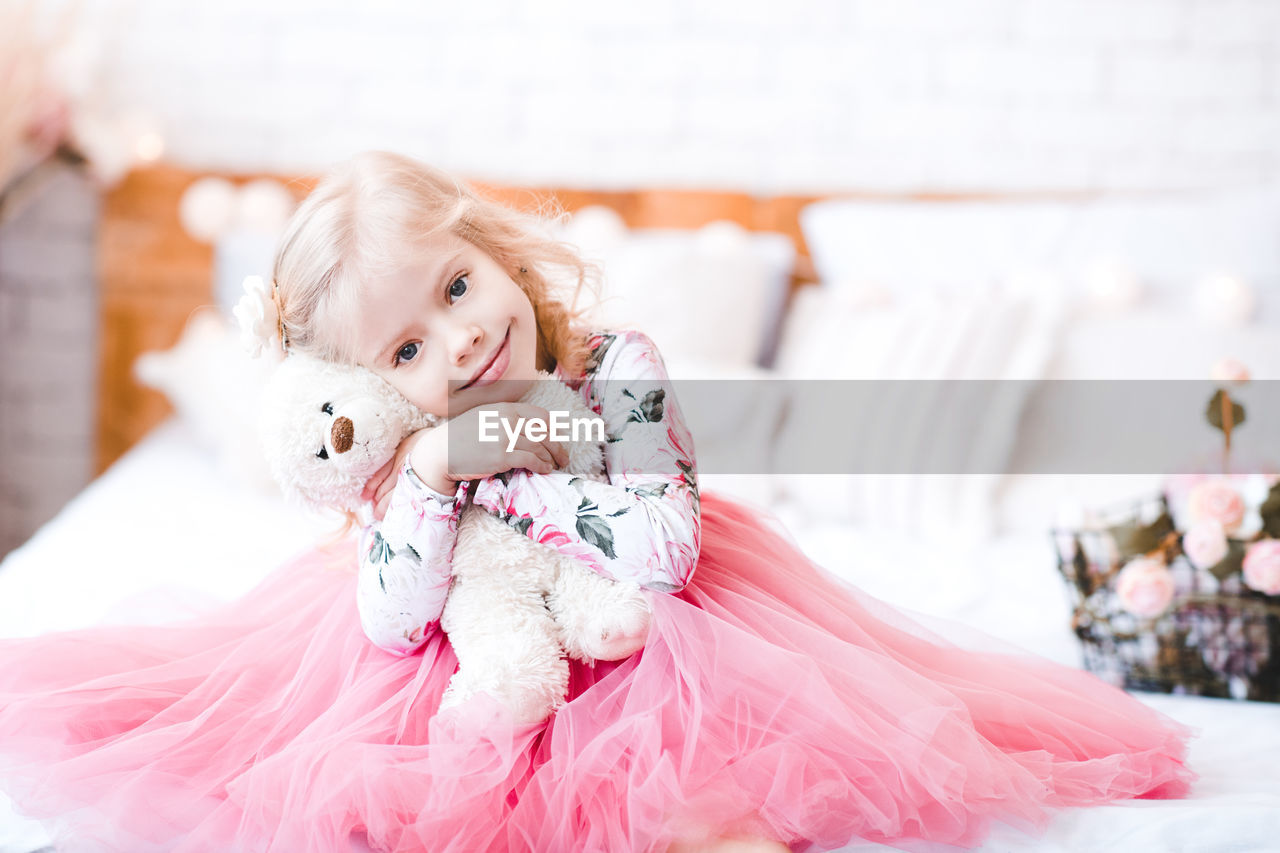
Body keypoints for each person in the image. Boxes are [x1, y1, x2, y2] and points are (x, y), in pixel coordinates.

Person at [0, 151, 1194, 853]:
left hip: (656, 645)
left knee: (711, 807)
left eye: (460, 286)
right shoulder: (410, 447)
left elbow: (663, 551)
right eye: (408, 346)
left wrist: (529, 458)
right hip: (463, 657)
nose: (461, 339)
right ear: (368, 383)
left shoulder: (616, 364)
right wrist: (426, 474)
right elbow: (388, 622)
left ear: (500, 254)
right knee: (351, 795)